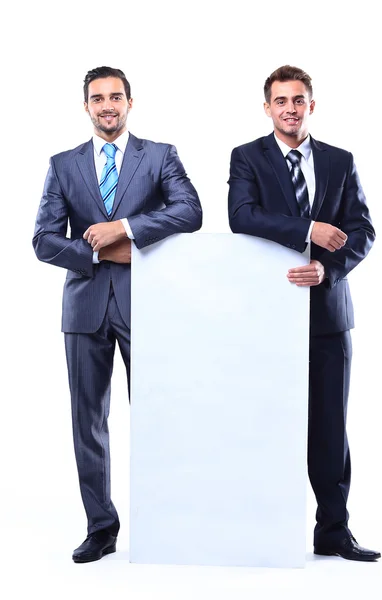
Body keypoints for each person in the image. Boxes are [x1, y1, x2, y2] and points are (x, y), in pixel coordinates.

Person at [33, 66, 202, 563]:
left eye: (116, 97)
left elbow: (190, 210)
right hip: (84, 308)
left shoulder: (160, 156)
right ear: (85, 106)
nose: (107, 105)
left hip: (146, 305)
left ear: (131, 102)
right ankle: (101, 528)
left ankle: (162, 524)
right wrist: (98, 252)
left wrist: (124, 228)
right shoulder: (63, 165)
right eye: (97, 98)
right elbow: (43, 240)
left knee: (156, 417)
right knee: (88, 420)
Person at [228, 65, 380, 561]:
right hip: (268, 315)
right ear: (267, 107)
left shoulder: (340, 160)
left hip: (329, 316)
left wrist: (328, 268)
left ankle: (333, 530)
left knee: (330, 426)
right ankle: (265, 529)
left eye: (298, 100)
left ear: (312, 105)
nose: (290, 109)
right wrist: (308, 229)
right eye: (280, 101)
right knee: (266, 421)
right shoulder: (247, 157)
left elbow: (362, 230)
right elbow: (241, 216)